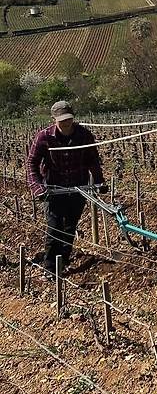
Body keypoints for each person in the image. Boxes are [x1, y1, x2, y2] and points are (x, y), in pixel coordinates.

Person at [27, 100, 107, 275]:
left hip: (78, 187)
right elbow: (32, 163)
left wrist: (100, 182)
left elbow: (93, 160)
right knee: (54, 227)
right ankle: (49, 268)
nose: (65, 123)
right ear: (53, 119)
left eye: (68, 118)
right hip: (54, 189)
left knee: (70, 227)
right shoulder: (44, 137)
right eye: (61, 120)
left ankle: (63, 261)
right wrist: (38, 187)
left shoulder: (84, 135)